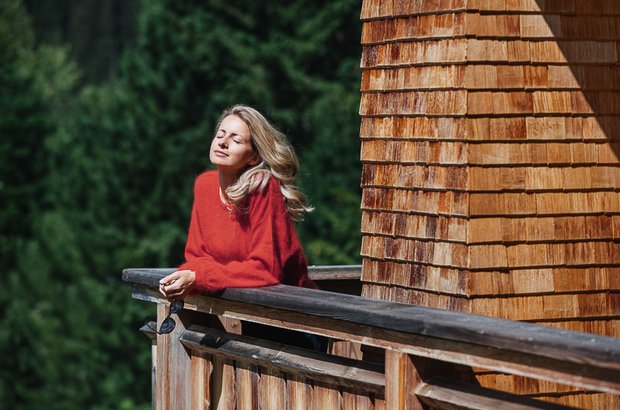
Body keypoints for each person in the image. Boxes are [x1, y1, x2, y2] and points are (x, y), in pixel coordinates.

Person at [158, 105, 324, 350]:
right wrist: (186, 276)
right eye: (220, 134)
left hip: (295, 320)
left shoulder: (263, 188)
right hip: (253, 313)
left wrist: (198, 277)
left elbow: (264, 270)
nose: (223, 143)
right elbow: (197, 256)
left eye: (235, 139)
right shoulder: (204, 185)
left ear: (254, 157)